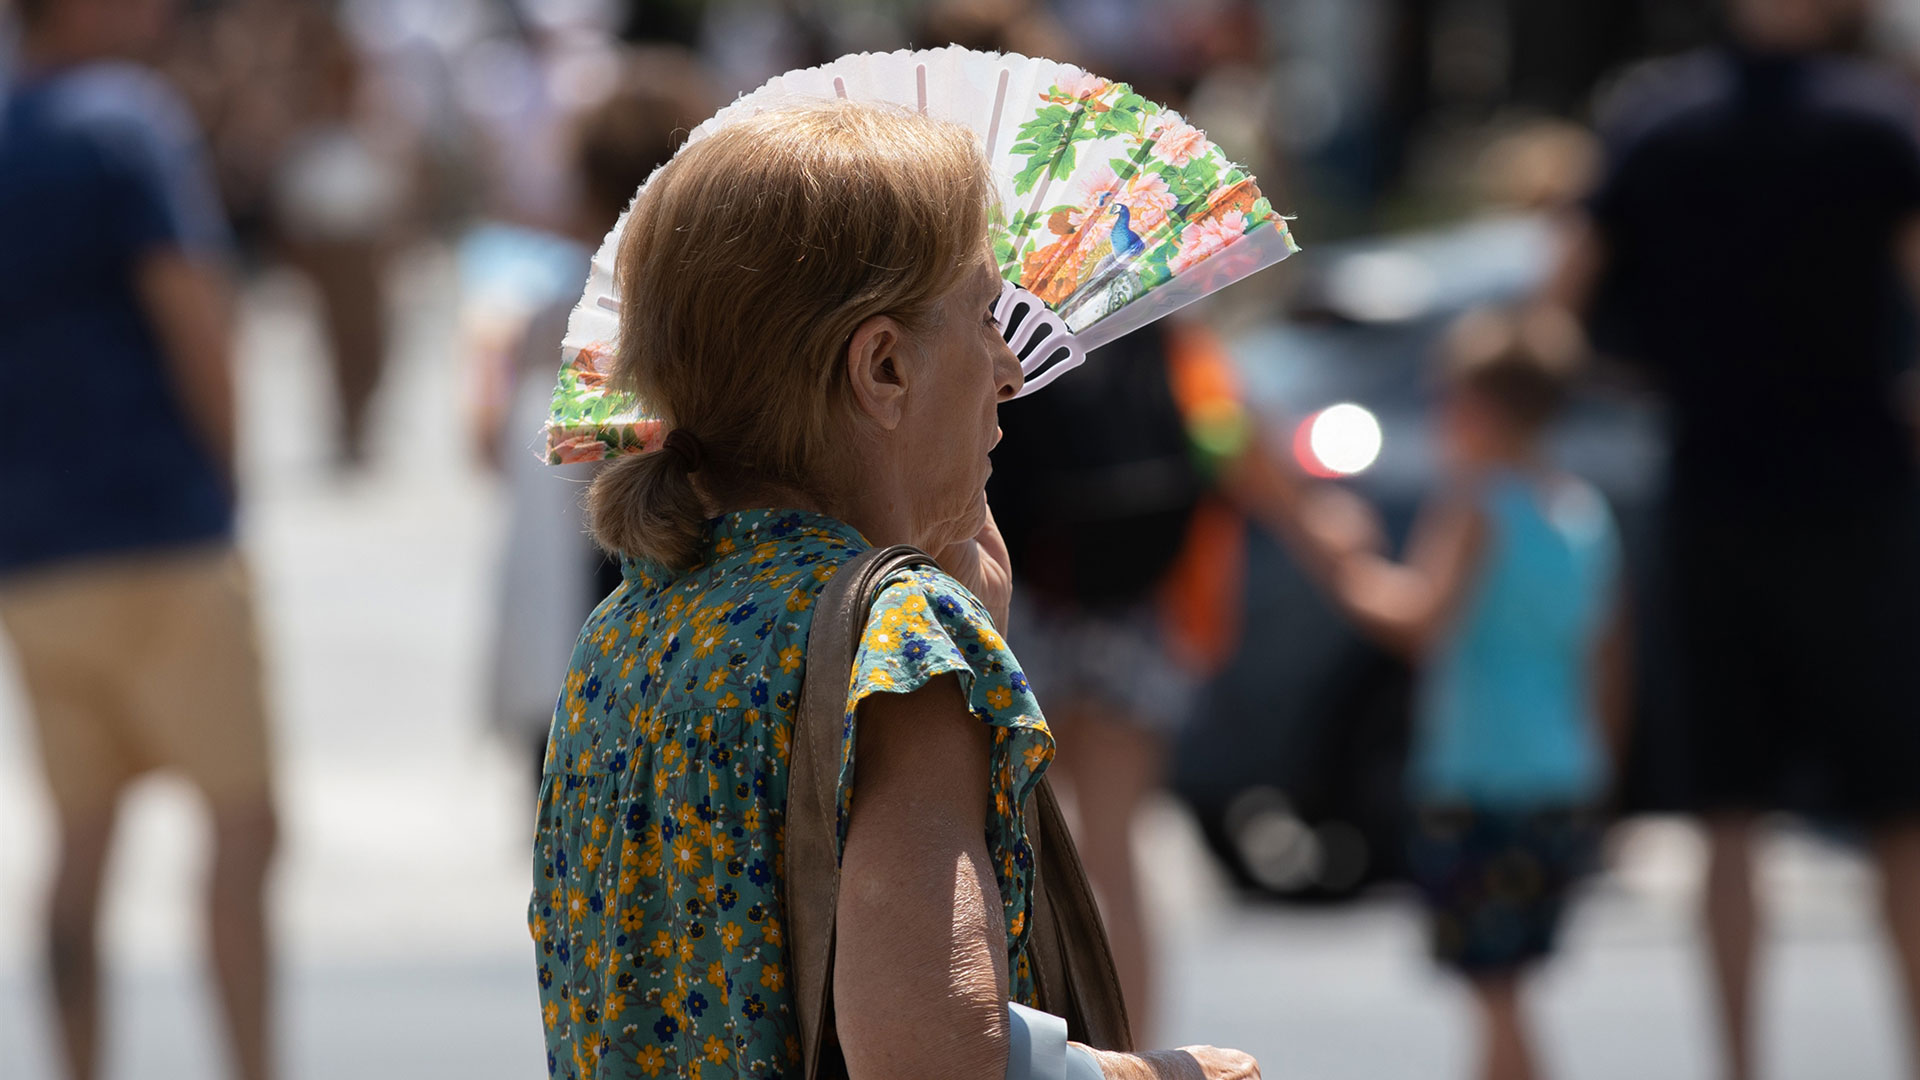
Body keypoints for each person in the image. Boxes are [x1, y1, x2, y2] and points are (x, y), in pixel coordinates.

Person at [527, 100, 1260, 1080]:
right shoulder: (899, 638)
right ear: (882, 366)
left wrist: (975, 634)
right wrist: (1165, 1076)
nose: (1007, 369)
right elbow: (933, 1061)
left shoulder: (628, 623)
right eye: (985, 318)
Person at [1548, 2, 1920, 1076]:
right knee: (1898, 811)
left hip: (1712, 494)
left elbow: (1558, 308)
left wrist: (1655, 375)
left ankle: (1739, 1062)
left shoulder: (1659, 124)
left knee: (1728, 817)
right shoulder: (1878, 126)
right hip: (1860, 502)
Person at [0, 2, 277, 1080]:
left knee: (78, 841)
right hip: (164, 528)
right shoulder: (125, 120)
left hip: (31, 545)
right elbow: (190, 309)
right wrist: (229, 477)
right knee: (243, 829)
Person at [1255, 310, 1628, 1080]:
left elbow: (1417, 620)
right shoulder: (1584, 515)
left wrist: (1336, 561)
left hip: (1480, 780)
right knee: (1508, 985)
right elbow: (1608, 659)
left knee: (1496, 992)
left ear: (1481, 409)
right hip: (1561, 777)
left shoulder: (1474, 507)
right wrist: (1601, 766)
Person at [989, 318, 1261, 1042]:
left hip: (1035, 599)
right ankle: (1133, 1052)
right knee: (1116, 852)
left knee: (1030, 847)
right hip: (1138, 610)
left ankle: (1050, 1046)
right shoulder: (1157, 325)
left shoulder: (1013, 318)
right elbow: (1229, 440)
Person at [476, 50, 717, 786]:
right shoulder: (723, 314)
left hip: (587, 637)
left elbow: (522, 453)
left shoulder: (568, 313)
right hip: (698, 635)